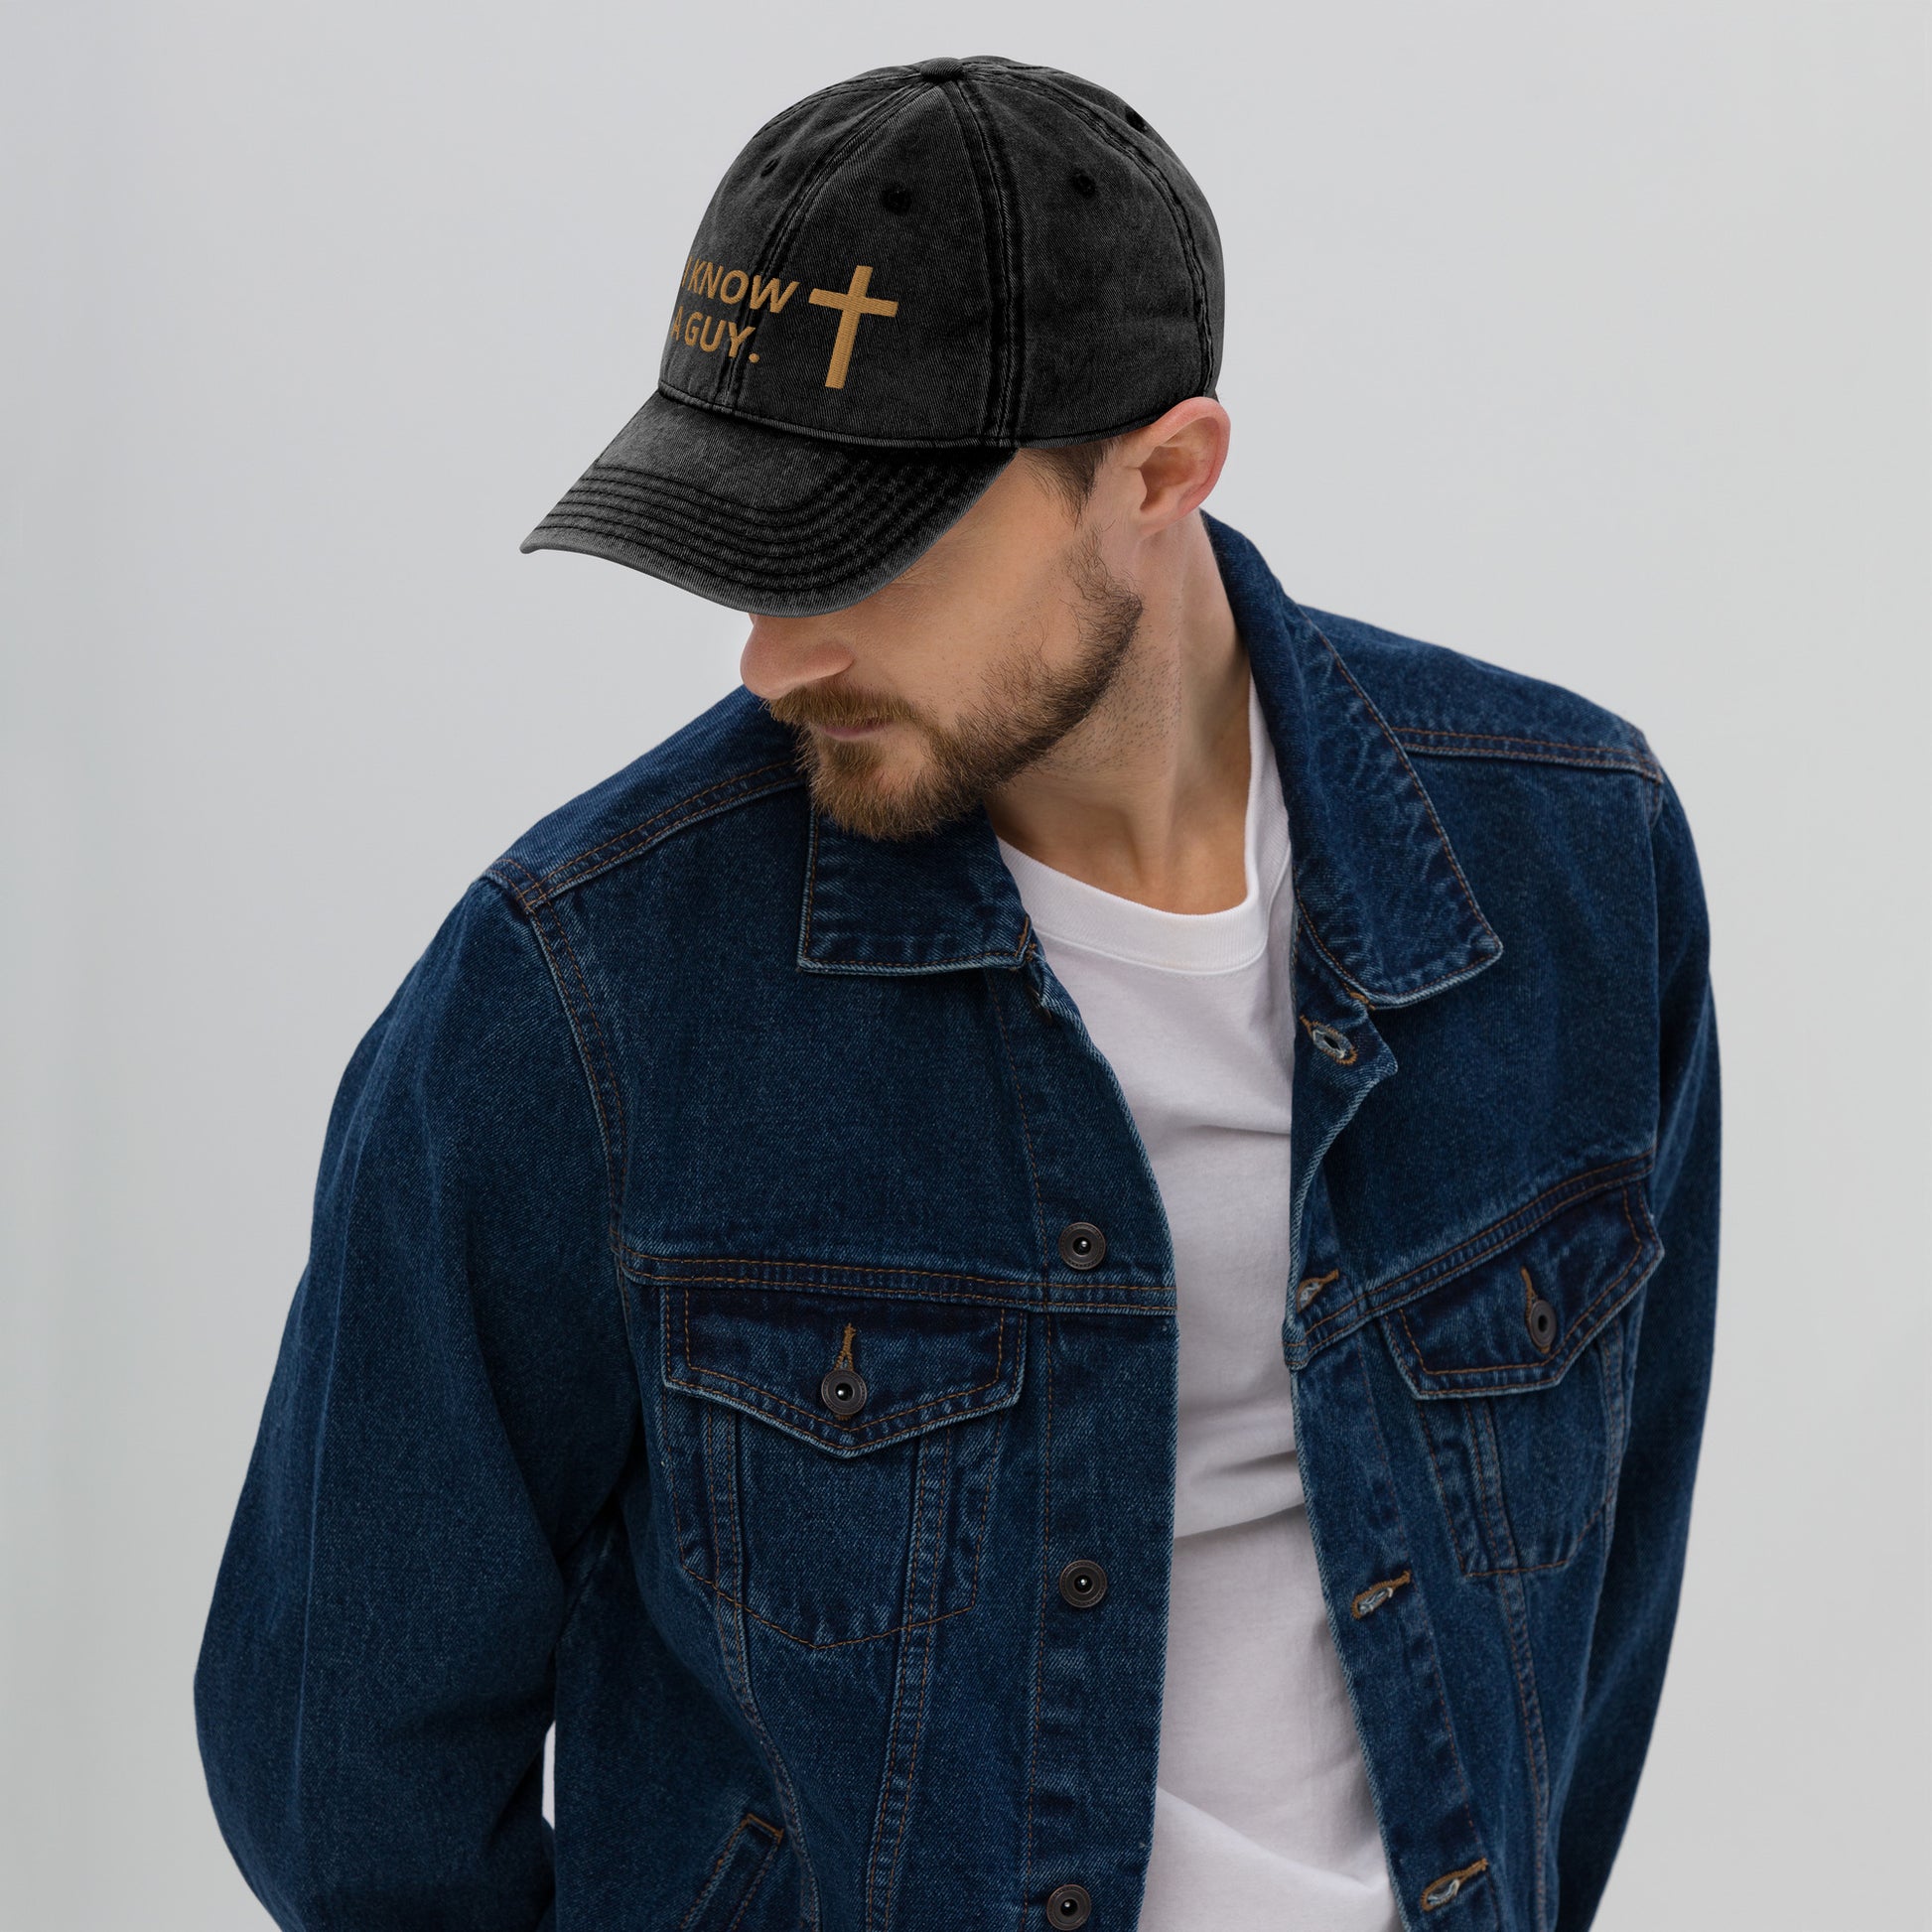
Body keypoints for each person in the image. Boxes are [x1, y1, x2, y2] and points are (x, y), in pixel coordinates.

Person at [195, 53, 1720, 1932]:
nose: (770, 654)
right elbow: (347, 1772)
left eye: (864, 550)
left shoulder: (1575, 869)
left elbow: (1601, 1614)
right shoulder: (579, 993)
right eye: (736, 545)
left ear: (1159, 474)